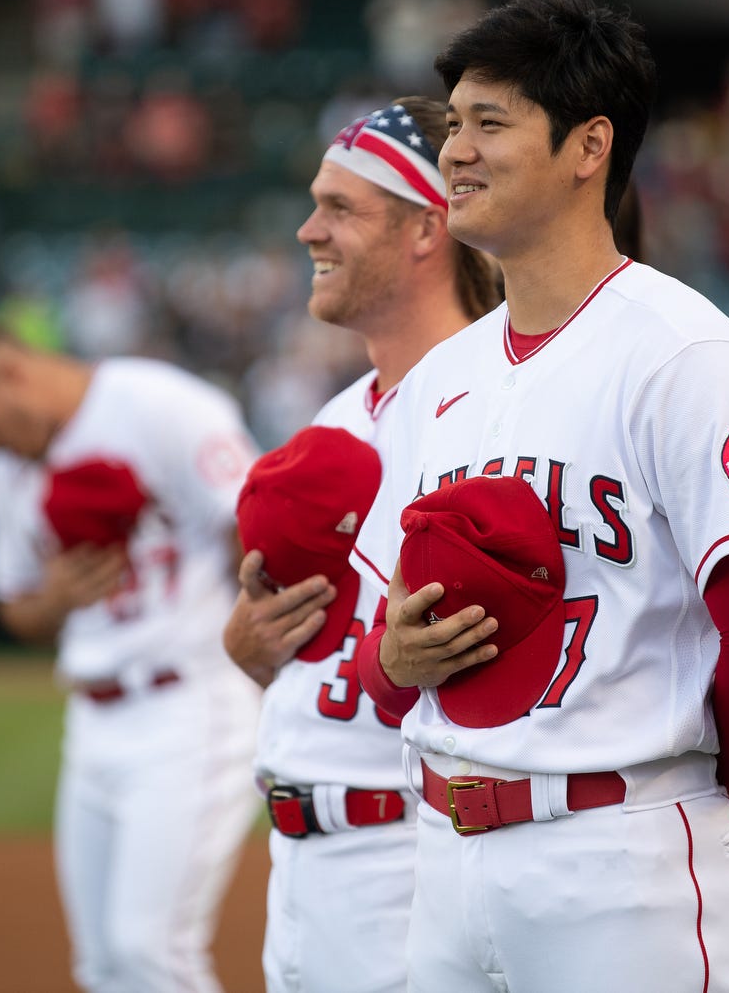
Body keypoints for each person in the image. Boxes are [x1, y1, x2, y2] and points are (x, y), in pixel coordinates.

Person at [348, 0, 729, 992]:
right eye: (454, 125)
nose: (457, 151)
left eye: (492, 121)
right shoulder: (442, 378)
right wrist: (396, 653)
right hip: (443, 862)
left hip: (621, 867)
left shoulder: (689, 357)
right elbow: (386, 657)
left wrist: (654, 785)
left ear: (587, 146)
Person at [220, 97, 500, 993]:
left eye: (341, 207)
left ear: (427, 227)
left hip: (416, 856)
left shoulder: (502, 403)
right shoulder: (340, 417)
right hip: (304, 867)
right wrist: (252, 649)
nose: (310, 229)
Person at [0, 315, 261, 993]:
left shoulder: (159, 405)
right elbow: (17, 606)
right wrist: (57, 597)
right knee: (101, 963)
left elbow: (255, 526)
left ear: (12, 373)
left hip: (190, 703)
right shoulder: (9, 469)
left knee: (150, 950)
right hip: (94, 720)